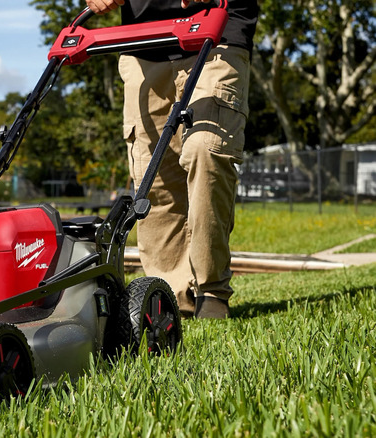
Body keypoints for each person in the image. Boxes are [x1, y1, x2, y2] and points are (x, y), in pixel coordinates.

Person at [85, 0, 258, 318]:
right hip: (144, 42)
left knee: (205, 148)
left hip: (218, 29)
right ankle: (171, 298)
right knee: (153, 172)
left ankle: (211, 291)